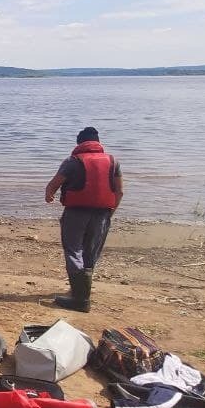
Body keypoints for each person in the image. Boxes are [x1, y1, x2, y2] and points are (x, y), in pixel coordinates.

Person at [44, 126, 123, 312]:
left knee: (73, 250)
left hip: (76, 213)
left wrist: (49, 195)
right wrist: (110, 212)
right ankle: (81, 291)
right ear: (98, 143)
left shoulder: (73, 161)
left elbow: (53, 185)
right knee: (91, 251)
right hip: (102, 213)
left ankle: (80, 298)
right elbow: (119, 191)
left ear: (80, 143)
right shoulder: (113, 161)